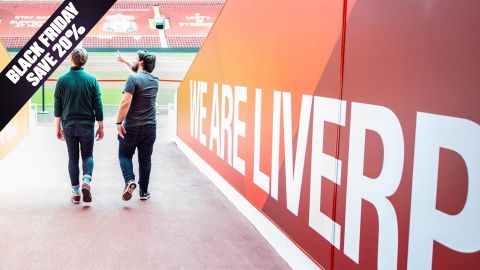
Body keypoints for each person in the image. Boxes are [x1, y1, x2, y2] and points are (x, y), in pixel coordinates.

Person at [54, 48, 104, 204]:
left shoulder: (62, 80)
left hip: (68, 125)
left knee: (73, 158)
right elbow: (98, 105)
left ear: (71, 58)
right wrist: (101, 126)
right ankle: (86, 182)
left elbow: (57, 108)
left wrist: (57, 127)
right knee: (87, 155)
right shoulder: (92, 80)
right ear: (85, 61)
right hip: (87, 125)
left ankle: (76, 193)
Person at [115, 50, 158, 201]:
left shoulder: (132, 79)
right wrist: (125, 61)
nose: (133, 60)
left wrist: (119, 122)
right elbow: (138, 75)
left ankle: (129, 180)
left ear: (140, 62)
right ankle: (144, 192)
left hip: (131, 127)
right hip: (150, 128)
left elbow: (125, 102)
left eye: (135, 59)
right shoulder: (154, 80)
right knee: (145, 159)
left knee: (124, 155)